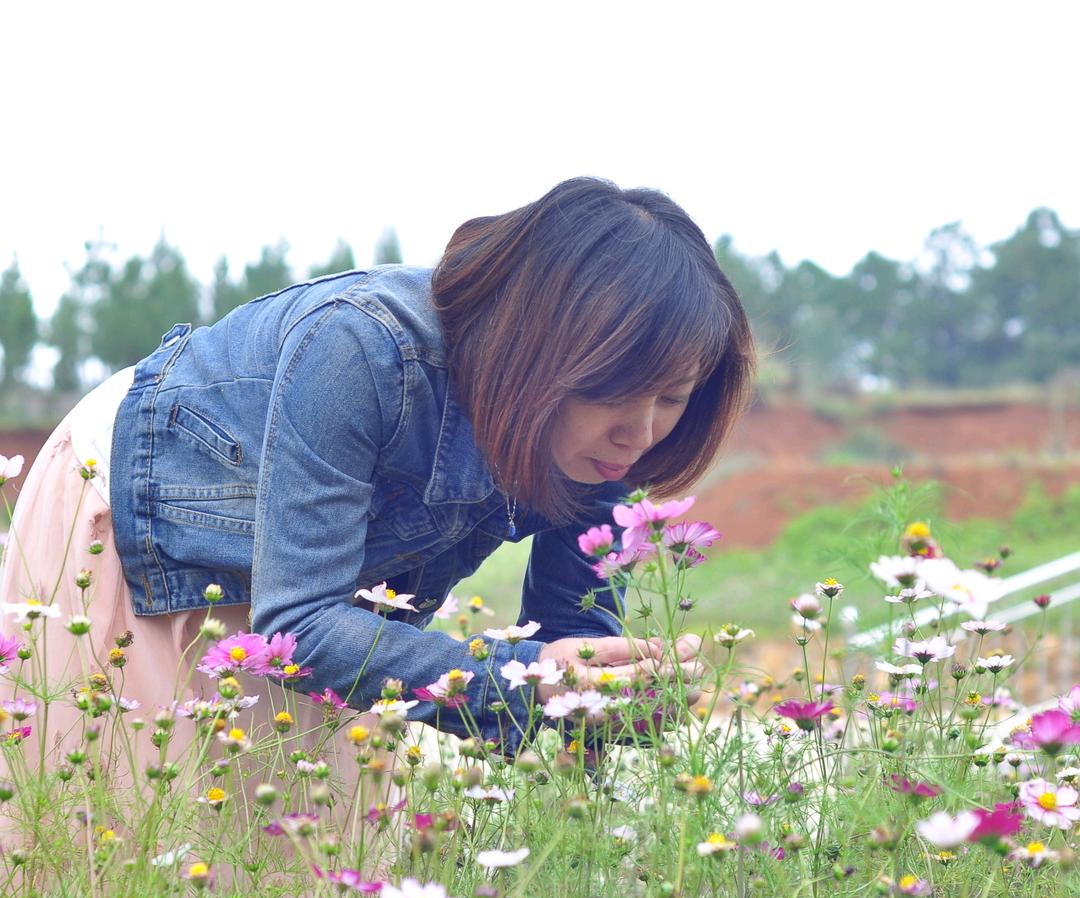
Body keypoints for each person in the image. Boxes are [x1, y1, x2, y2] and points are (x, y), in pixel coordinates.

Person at [0, 177, 755, 780]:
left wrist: (602, 703)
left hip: (310, 603)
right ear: (541, 352)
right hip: (146, 509)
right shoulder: (362, 347)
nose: (642, 431)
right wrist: (526, 677)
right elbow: (301, 629)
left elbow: (572, 640)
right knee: (107, 829)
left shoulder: (608, 441)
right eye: (616, 391)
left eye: (672, 395)